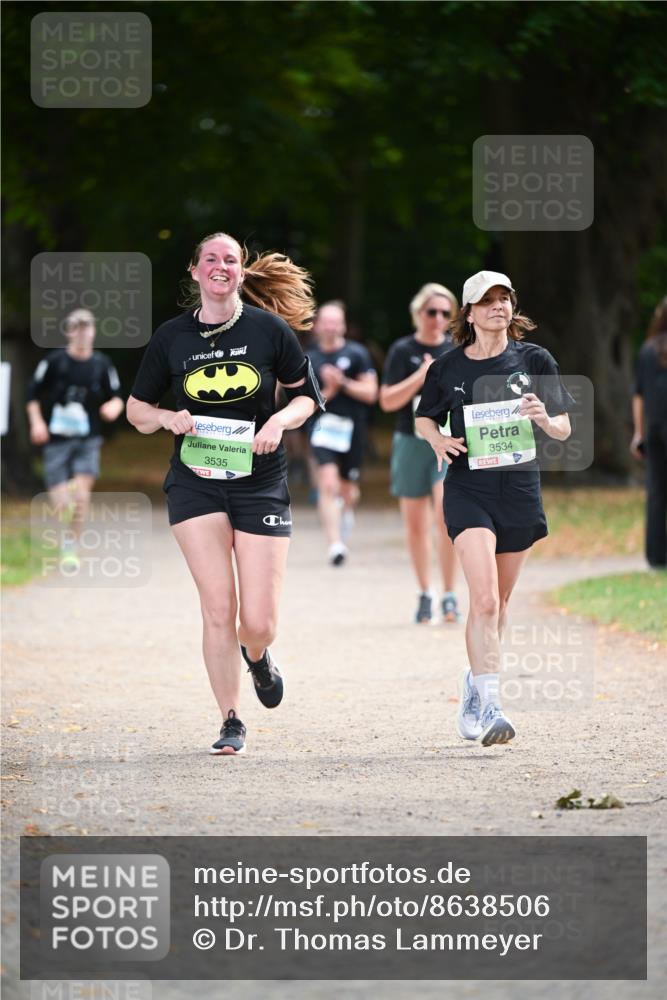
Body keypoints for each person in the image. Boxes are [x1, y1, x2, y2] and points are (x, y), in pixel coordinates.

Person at [126, 232, 324, 756]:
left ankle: (256, 656)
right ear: (195, 272)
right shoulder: (171, 337)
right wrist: (168, 416)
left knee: (257, 622)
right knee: (218, 607)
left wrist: (280, 421)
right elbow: (136, 409)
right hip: (195, 482)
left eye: (230, 259)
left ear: (240, 271)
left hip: (259, 483)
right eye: (210, 259)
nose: (220, 266)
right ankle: (231, 720)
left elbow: (307, 398)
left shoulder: (269, 330)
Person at [415, 271, 573, 746]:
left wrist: (545, 417)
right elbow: (423, 417)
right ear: (470, 312)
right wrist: (438, 438)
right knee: (482, 599)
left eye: (504, 298)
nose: (498, 307)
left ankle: (473, 681)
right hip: (469, 490)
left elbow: (564, 427)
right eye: (487, 301)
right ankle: (491, 706)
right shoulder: (447, 368)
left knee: (500, 604)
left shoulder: (535, 359)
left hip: (520, 489)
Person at [380, 283, 461, 624]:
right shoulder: (402, 350)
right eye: (432, 312)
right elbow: (387, 401)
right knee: (415, 525)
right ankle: (425, 592)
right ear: (418, 314)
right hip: (410, 441)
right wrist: (421, 375)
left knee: (445, 517)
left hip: (445, 440)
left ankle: (449, 593)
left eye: (446, 313)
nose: (438, 319)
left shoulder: (458, 348)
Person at [26, 308, 124, 564]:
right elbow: (32, 396)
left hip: (87, 440)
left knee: (81, 498)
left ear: (93, 331)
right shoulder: (54, 361)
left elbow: (116, 397)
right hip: (56, 441)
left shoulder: (101, 364)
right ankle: (66, 534)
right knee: (62, 502)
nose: (82, 333)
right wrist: (37, 423)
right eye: (77, 328)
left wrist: (113, 407)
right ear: (69, 332)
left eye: (87, 328)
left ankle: (71, 546)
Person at [306, 301, 378, 565]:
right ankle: (335, 544)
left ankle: (346, 511)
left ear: (344, 325)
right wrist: (330, 390)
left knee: (349, 490)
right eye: (326, 321)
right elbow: (305, 405)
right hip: (323, 426)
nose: (331, 327)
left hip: (353, 427)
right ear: (316, 326)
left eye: (336, 321)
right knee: (327, 483)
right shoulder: (309, 359)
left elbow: (371, 393)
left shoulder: (357, 354)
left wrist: (343, 383)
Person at [630, 296, 667, 568]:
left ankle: (656, 556)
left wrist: (638, 433)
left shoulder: (647, 350)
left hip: (655, 429)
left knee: (656, 492)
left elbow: (639, 395)